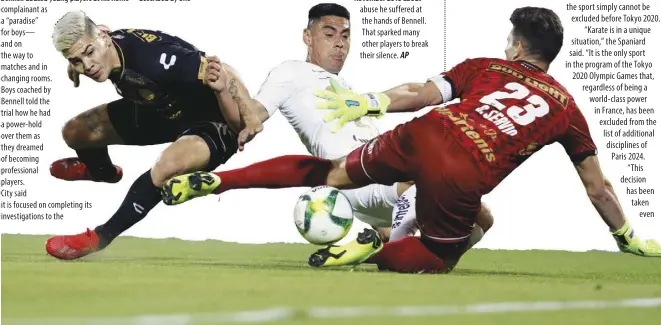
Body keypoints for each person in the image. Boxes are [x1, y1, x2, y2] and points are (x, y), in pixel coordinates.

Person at [162, 6, 659, 273]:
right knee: (443, 255)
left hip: (425, 130)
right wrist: (624, 237)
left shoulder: (483, 66)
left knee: (336, 174)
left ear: (517, 45)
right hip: (461, 167)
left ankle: (222, 182)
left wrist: (372, 101)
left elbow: (421, 94)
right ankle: (377, 245)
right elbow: (598, 188)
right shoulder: (567, 108)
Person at [162, 3, 493, 246]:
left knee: (483, 219)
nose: (339, 42)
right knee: (428, 175)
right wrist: (224, 93)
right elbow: (252, 115)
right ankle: (393, 241)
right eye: (329, 33)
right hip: (357, 178)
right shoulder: (290, 72)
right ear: (308, 36)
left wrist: (373, 101)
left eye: (346, 35)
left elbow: (403, 93)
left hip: (383, 171)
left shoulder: (344, 86)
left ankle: (382, 240)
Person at [45, 11, 258, 260]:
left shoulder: (155, 59)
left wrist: (250, 117)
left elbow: (225, 72)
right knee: (75, 132)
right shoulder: (101, 44)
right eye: (76, 60)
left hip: (212, 120)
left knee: (166, 167)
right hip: (163, 110)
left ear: (103, 37)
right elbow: (86, 45)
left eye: (89, 53)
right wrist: (77, 62)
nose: (87, 65)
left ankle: (99, 237)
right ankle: (102, 172)